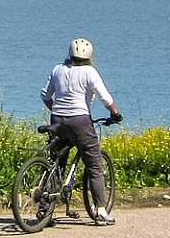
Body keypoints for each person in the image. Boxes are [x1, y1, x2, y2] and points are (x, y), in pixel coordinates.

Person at [41, 38, 122, 225]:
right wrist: (115, 113)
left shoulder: (57, 69)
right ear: (89, 56)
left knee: (56, 164)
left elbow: (45, 95)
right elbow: (105, 98)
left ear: (70, 54)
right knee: (94, 164)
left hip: (57, 120)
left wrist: (56, 109)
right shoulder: (89, 72)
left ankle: (45, 212)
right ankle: (101, 211)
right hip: (80, 122)